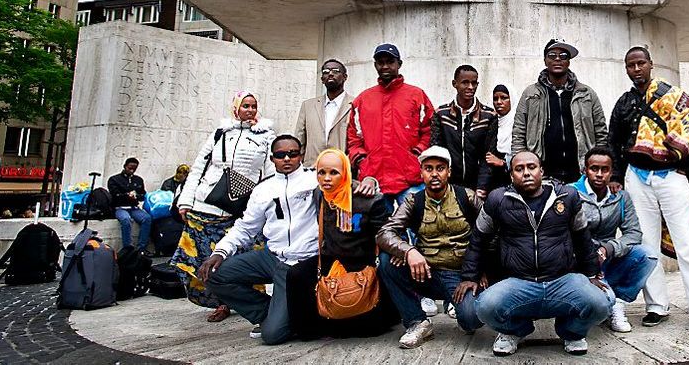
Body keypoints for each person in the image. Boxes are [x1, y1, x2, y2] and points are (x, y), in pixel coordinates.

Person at [607, 46, 689, 336]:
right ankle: (656, 306)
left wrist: (677, 153)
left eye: (640, 63)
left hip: (672, 176)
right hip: (636, 177)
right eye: (631, 65)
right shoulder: (624, 103)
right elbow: (613, 141)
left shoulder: (672, 95)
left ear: (650, 64)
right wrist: (615, 176)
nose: (636, 69)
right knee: (646, 246)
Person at [458, 151, 613, 356]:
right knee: (485, 306)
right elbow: (478, 239)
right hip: (519, 282)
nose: (526, 173)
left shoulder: (567, 196)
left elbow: (582, 238)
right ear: (511, 175)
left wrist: (591, 274)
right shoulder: (497, 199)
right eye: (519, 169)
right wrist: (470, 276)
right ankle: (514, 331)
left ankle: (571, 333)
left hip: (561, 280)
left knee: (603, 302)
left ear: (542, 170)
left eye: (531, 167)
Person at [198, 135, 317, 345]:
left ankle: (283, 317)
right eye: (281, 155)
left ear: (301, 156)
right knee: (214, 274)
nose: (287, 158)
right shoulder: (263, 188)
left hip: (301, 263)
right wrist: (220, 252)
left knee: (272, 336)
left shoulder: (314, 179)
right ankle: (267, 312)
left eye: (293, 154)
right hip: (272, 256)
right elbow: (246, 227)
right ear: (272, 158)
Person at [173, 91, 276, 322]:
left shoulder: (266, 135)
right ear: (236, 109)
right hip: (208, 202)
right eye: (245, 106)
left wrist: (268, 207)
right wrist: (186, 201)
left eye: (253, 106)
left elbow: (270, 172)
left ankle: (245, 299)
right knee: (205, 256)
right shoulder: (221, 132)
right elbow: (199, 166)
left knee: (243, 254)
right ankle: (220, 303)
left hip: (242, 205)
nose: (249, 110)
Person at [377, 146, 485, 348]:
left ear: (449, 171)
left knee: (471, 320)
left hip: (461, 276)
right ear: (421, 173)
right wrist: (407, 251)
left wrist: (481, 270)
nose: (434, 174)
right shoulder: (413, 202)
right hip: (425, 272)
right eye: (428, 168)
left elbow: (491, 232)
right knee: (386, 262)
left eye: (440, 168)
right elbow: (384, 233)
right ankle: (417, 322)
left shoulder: (467, 197)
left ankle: (461, 307)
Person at [286, 148, 397, 340]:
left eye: (333, 173)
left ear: (345, 172)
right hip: (331, 260)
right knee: (296, 274)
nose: (326, 179)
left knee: (360, 328)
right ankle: (307, 330)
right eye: (322, 172)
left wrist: (371, 180)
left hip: (362, 262)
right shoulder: (319, 195)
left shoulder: (367, 200)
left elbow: (386, 234)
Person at [570, 145, 655, 333]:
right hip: (580, 263)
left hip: (609, 257)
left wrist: (608, 248)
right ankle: (605, 301)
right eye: (594, 169)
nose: (599, 174)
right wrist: (589, 254)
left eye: (604, 170)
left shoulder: (621, 197)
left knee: (647, 255)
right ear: (585, 170)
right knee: (599, 302)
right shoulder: (571, 194)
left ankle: (617, 301)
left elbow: (634, 233)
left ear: (611, 172)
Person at [347, 44, 435, 210]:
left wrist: (416, 154)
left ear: (399, 64)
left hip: (410, 178)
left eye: (390, 61)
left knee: (417, 230)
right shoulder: (363, 100)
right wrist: (363, 163)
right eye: (381, 62)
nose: (385, 66)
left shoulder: (416, 95)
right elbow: (353, 139)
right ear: (375, 65)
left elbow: (430, 131)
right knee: (380, 232)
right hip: (374, 180)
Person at [512, 39, 607, 183]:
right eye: (552, 55)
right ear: (545, 60)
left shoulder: (586, 93)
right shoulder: (530, 94)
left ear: (568, 62)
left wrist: (596, 166)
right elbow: (519, 132)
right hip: (542, 175)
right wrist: (524, 166)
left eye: (563, 55)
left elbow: (601, 132)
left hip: (580, 174)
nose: (557, 59)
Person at [430, 65, 500, 195]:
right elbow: (437, 152)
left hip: (477, 186)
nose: (470, 87)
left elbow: (489, 156)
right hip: (448, 186)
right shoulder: (441, 114)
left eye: (474, 83)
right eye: (465, 83)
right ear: (454, 84)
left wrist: (481, 188)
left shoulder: (489, 116)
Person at [294, 58, 353, 166]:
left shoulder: (355, 104)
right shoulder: (308, 106)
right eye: (326, 72)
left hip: (342, 170)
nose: (330, 74)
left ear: (345, 77)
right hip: (311, 170)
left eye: (335, 71)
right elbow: (299, 139)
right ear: (322, 79)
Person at [108, 157, 151, 251]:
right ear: (125, 166)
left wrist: (137, 196)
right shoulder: (114, 179)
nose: (132, 171)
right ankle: (128, 248)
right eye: (130, 168)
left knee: (147, 219)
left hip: (134, 208)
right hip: (120, 207)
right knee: (126, 220)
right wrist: (127, 195)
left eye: (134, 169)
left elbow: (143, 194)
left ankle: (141, 248)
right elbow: (114, 194)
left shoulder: (138, 180)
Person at [488, 84, 513, 190]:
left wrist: (503, 163)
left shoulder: (519, 123)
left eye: (504, 98)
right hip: (494, 182)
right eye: (495, 99)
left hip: (513, 180)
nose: (499, 102)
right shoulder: (492, 123)